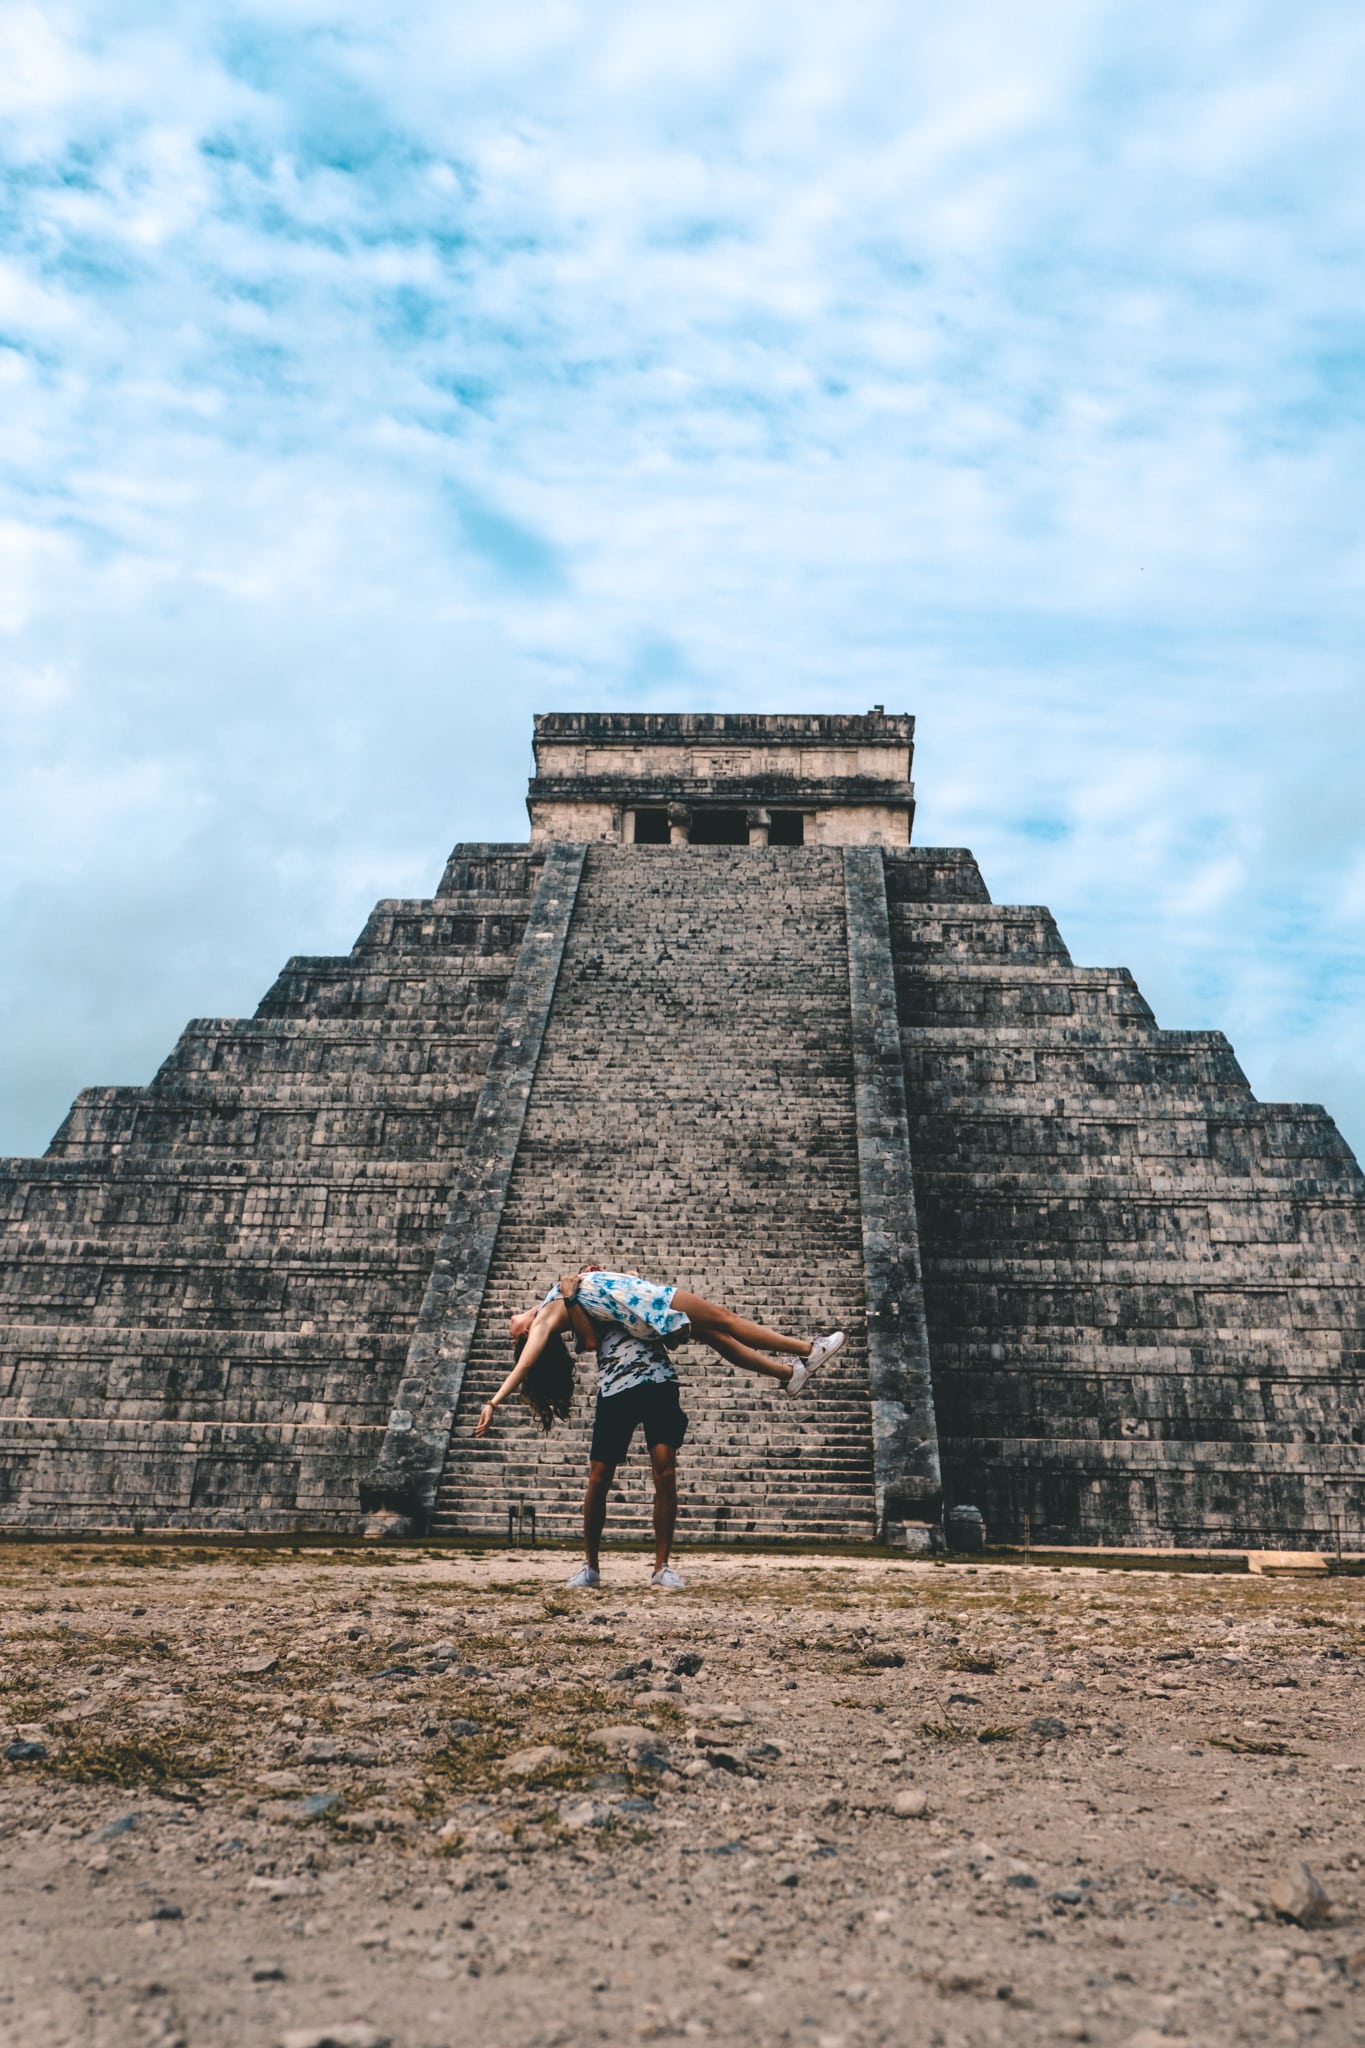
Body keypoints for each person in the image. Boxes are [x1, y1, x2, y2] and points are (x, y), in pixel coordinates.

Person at [474, 1267, 845, 1589]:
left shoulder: (575, 1295)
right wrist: (493, 1402)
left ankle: (789, 1373)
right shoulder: (548, 1318)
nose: (510, 1325)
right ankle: (808, 1352)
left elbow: (609, 1295)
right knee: (722, 1321)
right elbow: (539, 1361)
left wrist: (589, 1286)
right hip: (623, 1373)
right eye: (513, 1335)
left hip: (652, 1352)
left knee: (718, 1334)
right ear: (524, 1335)